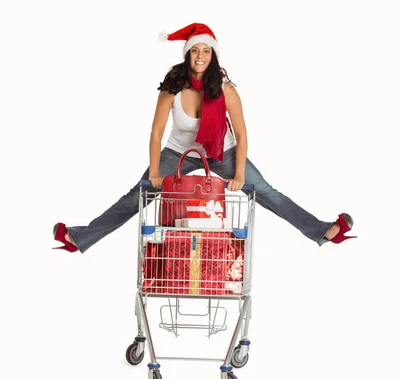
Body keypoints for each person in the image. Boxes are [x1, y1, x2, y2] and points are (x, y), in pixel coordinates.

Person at [53, 22, 356, 254]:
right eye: (195, 50)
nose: (200, 56)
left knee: (265, 191)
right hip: (177, 153)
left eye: (206, 51)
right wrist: (156, 172)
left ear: (213, 55)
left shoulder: (226, 89)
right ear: (188, 55)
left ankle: (322, 230)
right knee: (138, 195)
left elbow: (240, 133)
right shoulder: (172, 87)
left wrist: (239, 174)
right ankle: (79, 238)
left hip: (221, 152)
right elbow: (157, 132)